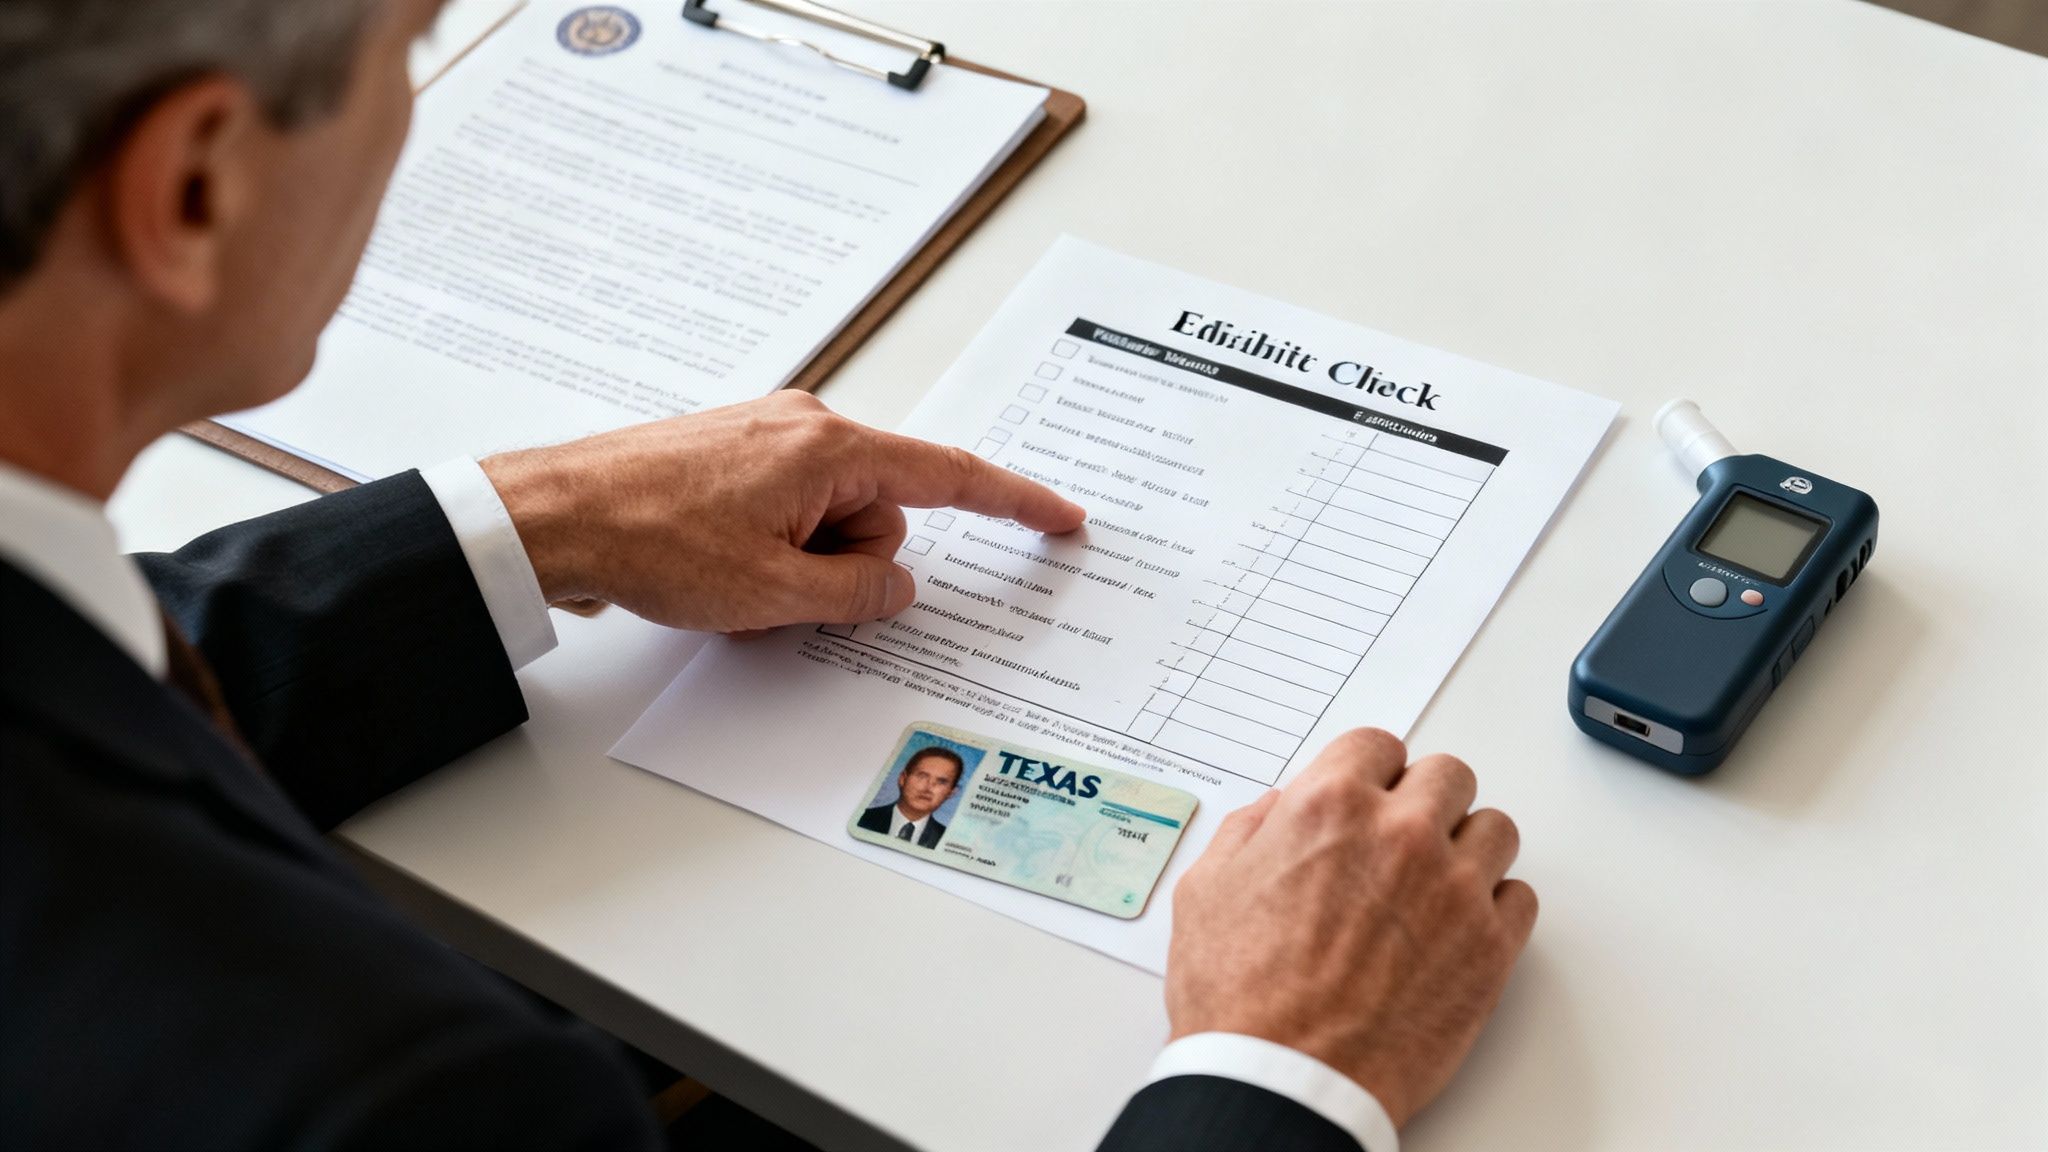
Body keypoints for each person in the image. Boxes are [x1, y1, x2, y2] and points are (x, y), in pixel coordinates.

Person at [0, 2, 1537, 1149]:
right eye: (405, 56)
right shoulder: (397, 1093)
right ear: (192, 185)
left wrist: (525, 521)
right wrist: (1283, 1069)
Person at [859, 746, 964, 848]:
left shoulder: (947, 841)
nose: (928, 787)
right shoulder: (863, 818)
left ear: (951, 792)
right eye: (922, 776)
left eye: (941, 782)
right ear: (903, 779)